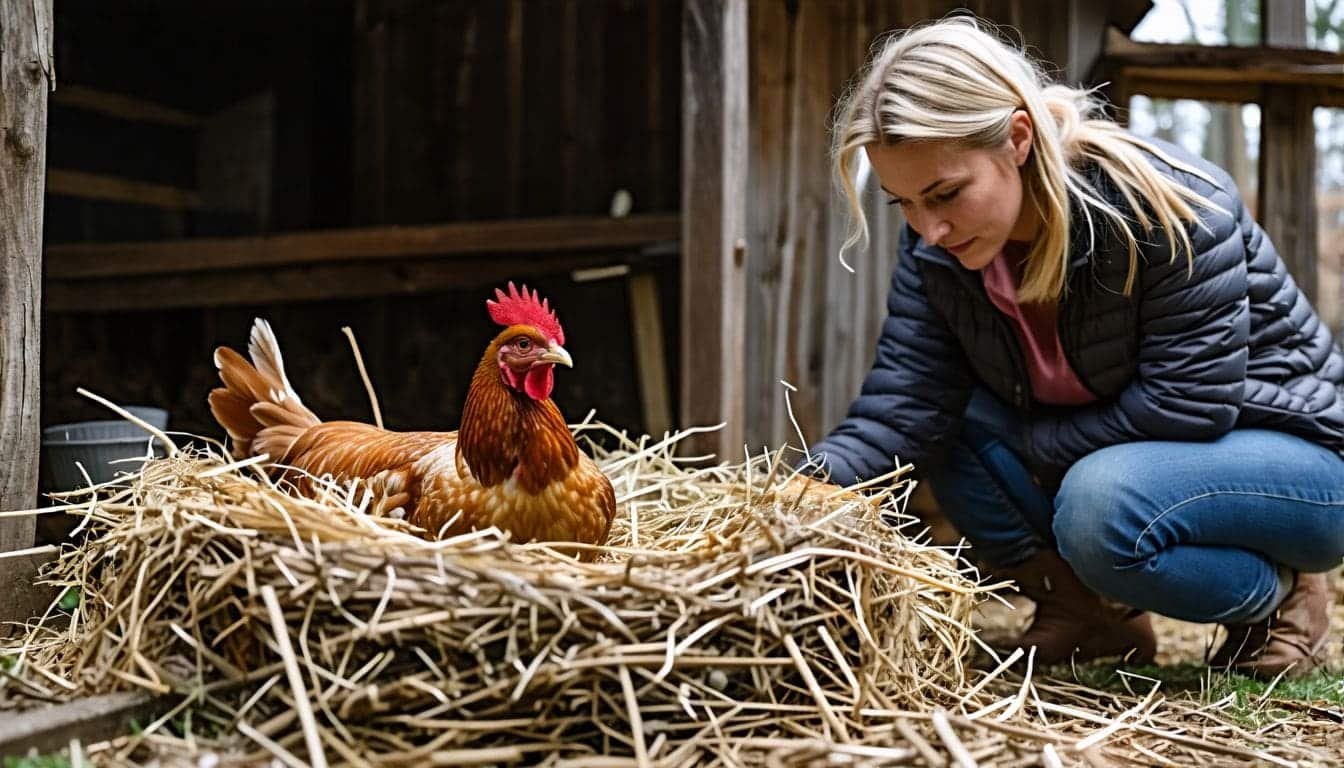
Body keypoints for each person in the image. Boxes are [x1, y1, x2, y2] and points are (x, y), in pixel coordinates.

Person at [798, 15, 1344, 677]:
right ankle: (1087, 614)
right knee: (954, 430)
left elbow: (1190, 404)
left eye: (945, 193)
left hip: (1296, 459)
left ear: (1018, 138)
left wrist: (1033, 451)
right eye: (903, 203)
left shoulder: (1169, 207)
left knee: (1100, 507)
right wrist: (801, 493)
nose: (930, 228)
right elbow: (904, 403)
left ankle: (1280, 600)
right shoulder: (937, 250)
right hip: (1116, 448)